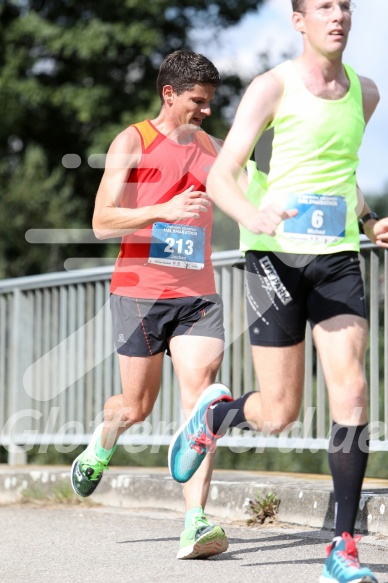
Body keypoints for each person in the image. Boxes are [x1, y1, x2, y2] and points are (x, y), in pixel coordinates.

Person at [168, 3, 388, 581]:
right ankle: (217, 415)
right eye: (323, 7)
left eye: (345, 5)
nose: (336, 15)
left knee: (353, 388)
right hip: (274, 256)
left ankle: (341, 546)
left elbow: (339, 171)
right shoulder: (272, 88)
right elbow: (223, 175)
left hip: (337, 256)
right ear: (298, 20)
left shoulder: (365, 94)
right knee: (279, 413)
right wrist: (254, 216)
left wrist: (368, 221)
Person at [70, 49, 230, 560]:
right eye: (197, 101)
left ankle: (196, 521)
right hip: (139, 292)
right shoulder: (132, 141)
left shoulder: (214, 148)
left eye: (210, 102)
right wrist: (166, 208)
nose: (206, 110)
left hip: (196, 294)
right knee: (136, 407)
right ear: (169, 94)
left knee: (201, 401)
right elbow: (101, 221)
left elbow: (258, 187)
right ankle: (103, 440)